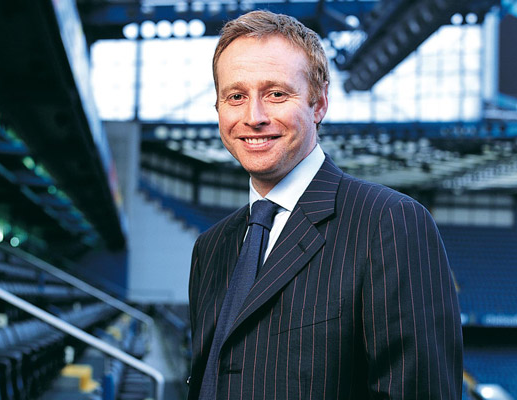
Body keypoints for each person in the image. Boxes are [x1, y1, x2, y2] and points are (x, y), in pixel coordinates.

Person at [187, 10, 463, 400]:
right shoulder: (211, 247)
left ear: (318, 105)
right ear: (218, 109)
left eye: (276, 94)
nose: (254, 117)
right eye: (236, 96)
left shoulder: (388, 223)